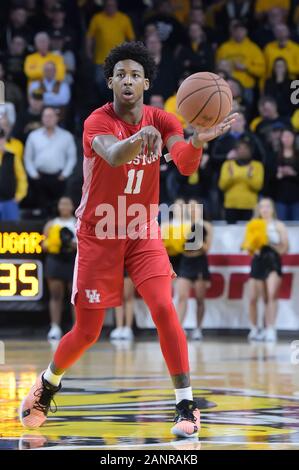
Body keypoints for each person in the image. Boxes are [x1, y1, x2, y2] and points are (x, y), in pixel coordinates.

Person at [20, 41, 236, 437]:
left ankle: (185, 405)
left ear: (146, 82)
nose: (128, 80)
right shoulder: (96, 122)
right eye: (120, 74)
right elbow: (115, 155)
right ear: (111, 83)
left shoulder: (164, 118)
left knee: (162, 307)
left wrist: (199, 141)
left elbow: (184, 164)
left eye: (135, 74)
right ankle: (48, 383)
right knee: (87, 332)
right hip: (98, 232)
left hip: (140, 228)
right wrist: (142, 137)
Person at [246, 198, 289, 342]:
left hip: (272, 260)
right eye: (262, 207)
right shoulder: (253, 225)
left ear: (272, 209)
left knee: (271, 295)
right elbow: (248, 247)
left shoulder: (279, 225)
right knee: (253, 297)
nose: (264, 209)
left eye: (267, 206)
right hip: (258, 261)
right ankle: (254, 328)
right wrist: (253, 247)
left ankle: (270, 328)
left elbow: (285, 248)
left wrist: (269, 243)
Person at [24, 107, 77, 216]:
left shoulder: (66, 136)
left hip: (59, 178)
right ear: (42, 118)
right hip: (39, 177)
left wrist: (64, 174)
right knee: (41, 210)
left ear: (56, 118)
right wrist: (33, 174)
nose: (48, 119)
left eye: (51, 116)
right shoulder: (33, 136)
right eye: (45, 116)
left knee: (58, 209)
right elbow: (27, 158)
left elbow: (71, 158)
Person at [176, 200, 213, 340]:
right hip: (185, 261)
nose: (192, 210)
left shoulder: (206, 225)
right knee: (181, 297)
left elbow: (207, 248)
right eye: (190, 207)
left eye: (195, 207)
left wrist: (196, 234)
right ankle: (178, 328)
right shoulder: (181, 225)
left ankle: (198, 328)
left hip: (199, 262)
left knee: (199, 299)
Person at [43, 197, 77, 342]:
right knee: (56, 295)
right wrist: (55, 243)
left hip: (72, 260)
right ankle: (55, 327)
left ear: (72, 206)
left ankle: (77, 328)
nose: (64, 206)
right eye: (61, 204)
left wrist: (70, 244)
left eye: (67, 204)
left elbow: (84, 244)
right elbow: (43, 245)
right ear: (58, 207)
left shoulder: (77, 223)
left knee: (74, 297)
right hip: (55, 260)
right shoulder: (51, 224)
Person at [218, 140, 264, 223]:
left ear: (250, 151)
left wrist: (249, 177)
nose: (242, 151)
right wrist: (231, 178)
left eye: (245, 148)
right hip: (231, 206)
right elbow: (222, 186)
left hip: (250, 206)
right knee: (231, 232)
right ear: (235, 151)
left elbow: (258, 186)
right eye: (239, 148)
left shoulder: (257, 166)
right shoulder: (227, 164)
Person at [0, 127, 28, 221]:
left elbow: (22, 178)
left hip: (9, 201)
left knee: (11, 231)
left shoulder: (12, 156)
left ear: (4, 139)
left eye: (1, 138)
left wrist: (18, 196)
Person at [273, 129, 299, 220]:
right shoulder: (275, 155)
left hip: (296, 197)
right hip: (280, 197)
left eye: (289, 136)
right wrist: (278, 175)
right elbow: (269, 178)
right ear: (281, 139)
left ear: (294, 138)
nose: (287, 139)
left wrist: (294, 174)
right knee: (281, 225)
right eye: (284, 136)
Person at [110, 274, 135, 341]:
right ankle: (119, 327)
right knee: (118, 297)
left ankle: (128, 328)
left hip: (127, 268)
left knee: (128, 296)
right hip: (116, 267)